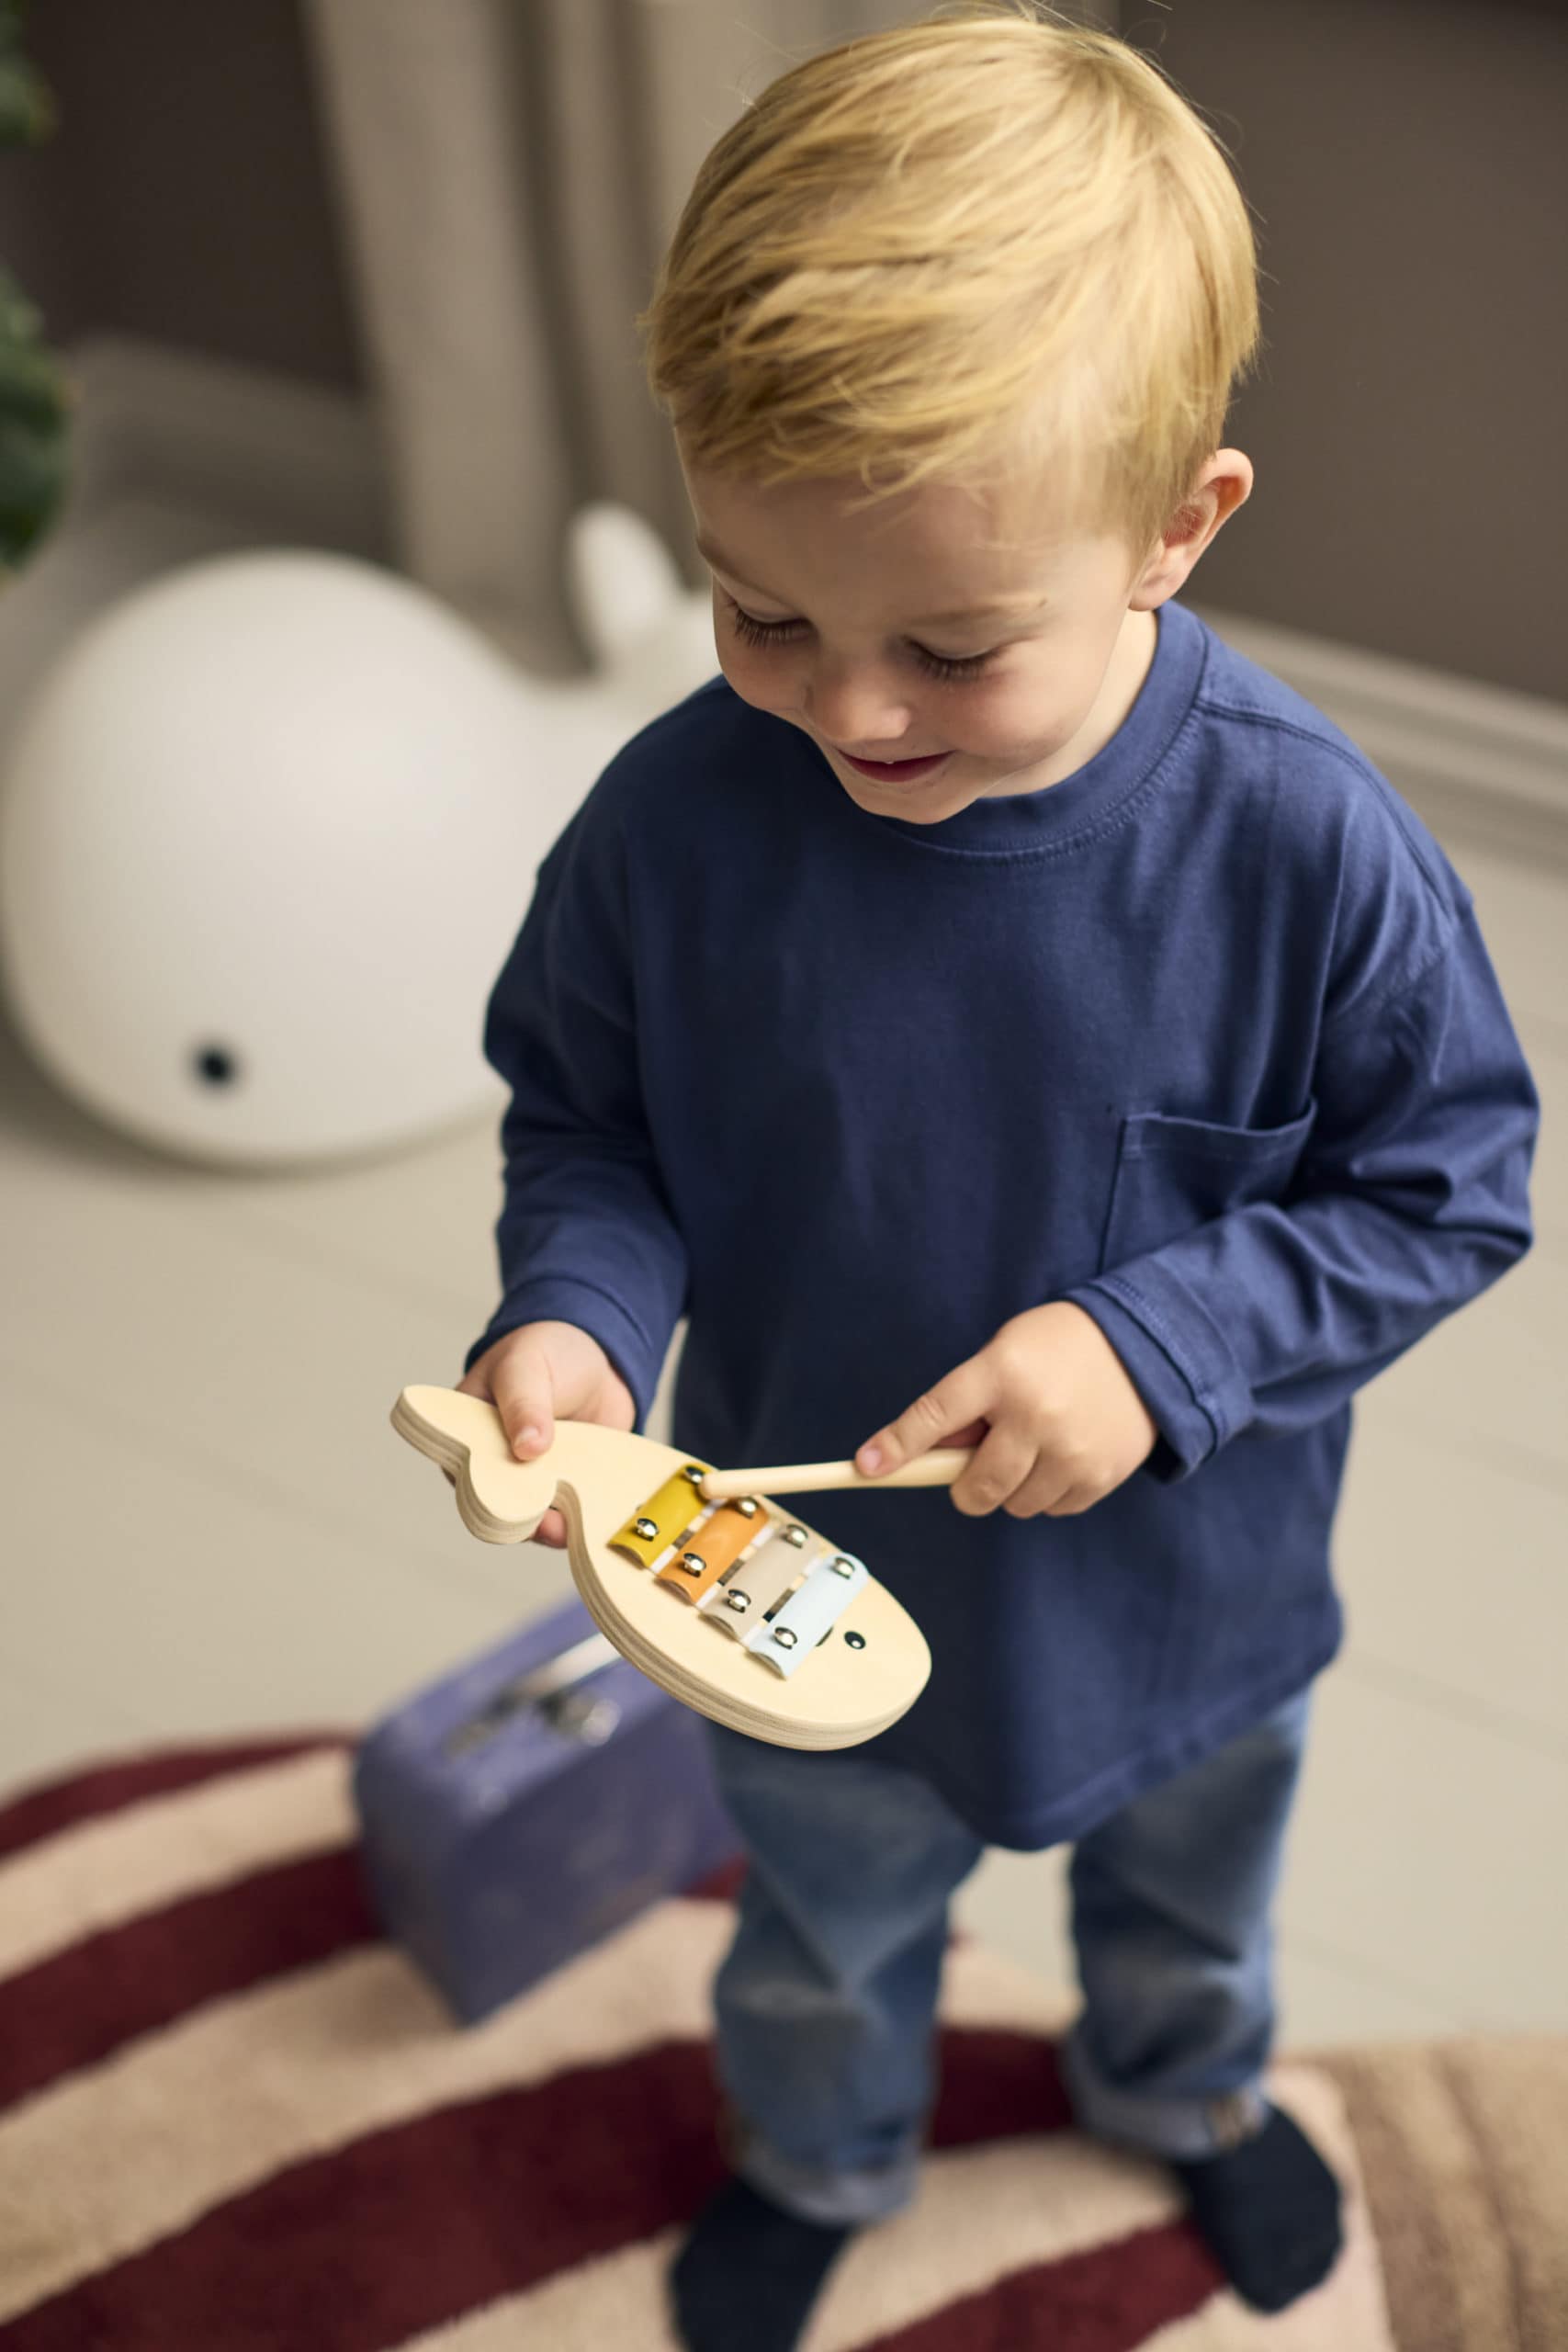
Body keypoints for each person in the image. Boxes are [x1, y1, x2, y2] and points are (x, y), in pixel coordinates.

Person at [457, 5, 1540, 2344]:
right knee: (824, 1928)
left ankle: (1184, 2101)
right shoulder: (673, 825)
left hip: (1190, 1612)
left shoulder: (1301, 850)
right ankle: (819, 2151)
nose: (847, 710)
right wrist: (570, 1313)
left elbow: (1447, 1178)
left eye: (950, 644)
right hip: (792, 1581)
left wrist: (1155, 1342)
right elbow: (591, 1116)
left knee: (1185, 1908)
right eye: (763, 611)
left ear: (1175, 526)